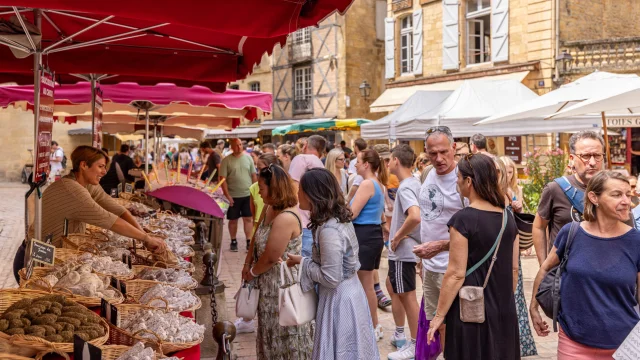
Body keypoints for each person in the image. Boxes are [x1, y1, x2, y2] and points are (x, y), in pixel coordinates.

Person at [13, 146, 166, 281]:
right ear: (84, 165)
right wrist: (145, 238)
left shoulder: (84, 183)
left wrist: (145, 237)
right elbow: (110, 220)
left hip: (52, 258)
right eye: (100, 166)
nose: (104, 172)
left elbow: (118, 210)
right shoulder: (72, 190)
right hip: (34, 260)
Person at [530, 171, 640, 359]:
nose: (626, 201)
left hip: (624, 345)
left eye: (628, 195)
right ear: (593, 197)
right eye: (616, 195)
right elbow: (546, 268)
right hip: (573, 340)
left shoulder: (636, 241)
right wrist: (533, 306)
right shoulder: (571, 232)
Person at [426, 153, 520, 360]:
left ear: (469, 181)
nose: (457, 183)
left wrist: (439, 316)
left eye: (458, 178)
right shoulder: (507, 218)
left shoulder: (463, 220)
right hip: (503, 309)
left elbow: (456, 274)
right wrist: (501, 300)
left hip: (470, 310)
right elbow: (514, 269)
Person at [284, 168, 379, 359]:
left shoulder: (329, 230)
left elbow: (331, 277)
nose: (297, 193)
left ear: (312, 195)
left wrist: (304, 264)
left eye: (301, 189)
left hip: (340, 299)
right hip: (348, 293)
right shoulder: (335, 221)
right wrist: (304, 261)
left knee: (342, 350)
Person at [242, 164, 313, 360]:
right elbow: (256, 237)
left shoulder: (286, 217)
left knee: (283, 333)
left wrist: (252, 273)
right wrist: (247, 263)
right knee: (268, 330)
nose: (258, 191)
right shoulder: (269, 207)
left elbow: (271, 256)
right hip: (267, 284)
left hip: (281, 286)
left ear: (274, 189)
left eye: (261, 187)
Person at [412, 126, 467, 351]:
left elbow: (479, 228)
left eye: (444, 152)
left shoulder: (465, 178)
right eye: (432, 153)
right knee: (438, 324)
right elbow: (428, 219)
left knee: (459, 325)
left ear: (454, 148)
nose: (439, 158)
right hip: (430, 267)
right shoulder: (427, 174)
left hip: (454, 267)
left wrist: (442, 247)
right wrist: (423, 260)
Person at [532, 131, 605, 265]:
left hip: (600, 271)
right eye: (586, 156)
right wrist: (544, 265)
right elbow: (539, 227)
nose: (593, 162)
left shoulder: (610, 189)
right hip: (563, 274)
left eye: (597, 156)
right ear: (572, 159)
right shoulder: (555, 188)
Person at [494, 157, 538, 357]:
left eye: (510, 171)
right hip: (501, 254)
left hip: (509, 254)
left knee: (514, 297)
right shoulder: (498, 194)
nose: (507, 175)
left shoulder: (511, 192)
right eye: (506, 171)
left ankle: (515, 344)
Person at [385, 144, 422, 360]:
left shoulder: (407, 187)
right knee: (396, 288)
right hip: (408, 251)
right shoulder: (414, 183)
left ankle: (415, 344)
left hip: (403, 252)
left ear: (396, 161)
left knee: (407, 297)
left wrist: (397, 236)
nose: (388, 163)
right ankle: (408, 338)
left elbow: (415, 216)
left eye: (389, 159)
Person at [350, 148, 388, 341]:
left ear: (366, 164)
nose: (355, 164)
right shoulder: (378, 184)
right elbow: (381, 214)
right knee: (368, 284)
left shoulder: (366, 184)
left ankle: (373, 326)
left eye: (357, 161)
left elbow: (352, 213)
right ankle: (372, 324)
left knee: (366, 285)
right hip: (372, 235)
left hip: (364, 235)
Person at [288, 135, 326, 258]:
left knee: (301, 266)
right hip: (316, 223)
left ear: (305, 146)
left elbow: (293, 190)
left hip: (302, 223)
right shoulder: (320, 165)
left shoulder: (302, 159)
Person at [220, 138, 257, 252]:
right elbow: (222, 179)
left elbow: (253, 175)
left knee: (248, 218)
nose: (239, 147)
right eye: (236, 145)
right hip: (233, 195)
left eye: (240, 144)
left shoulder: (248, 158)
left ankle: (248, 241)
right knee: (233, 220)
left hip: (247, 194)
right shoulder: (226, 160)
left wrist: (254, 192)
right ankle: (233, 240)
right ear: (231, 146)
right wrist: (227, 195)